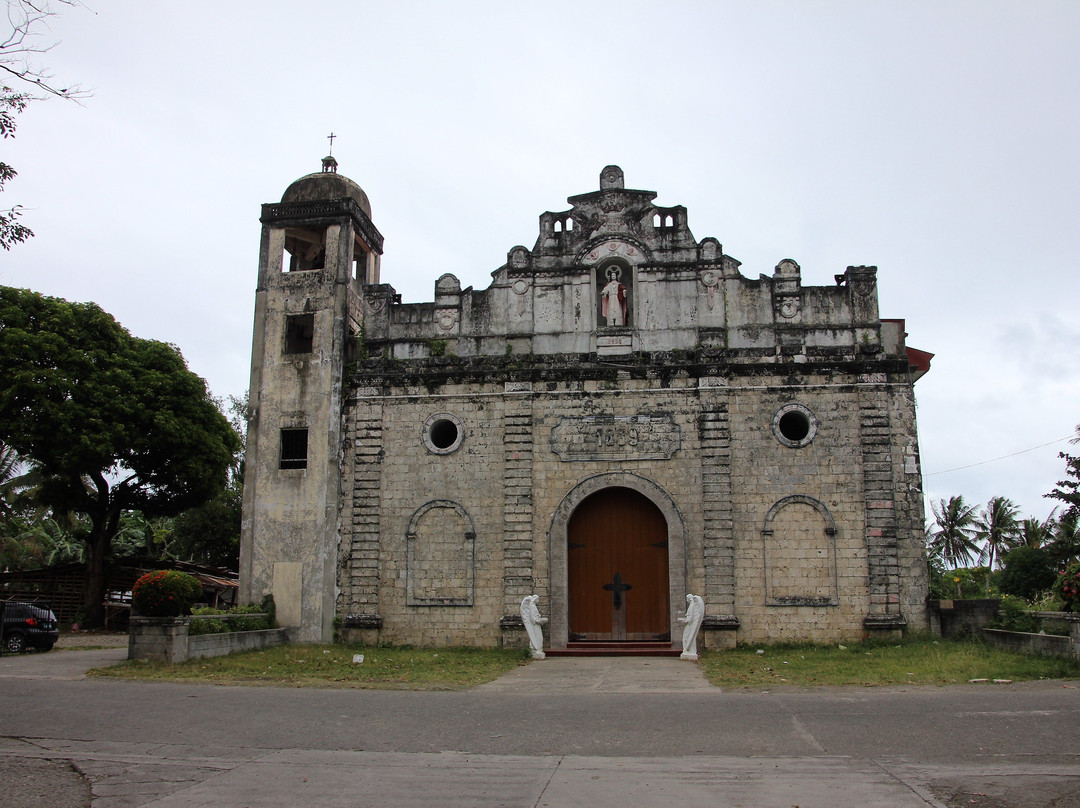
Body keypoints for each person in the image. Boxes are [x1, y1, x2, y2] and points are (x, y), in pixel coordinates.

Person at [520, 595, 547, 660]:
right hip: (535, 625)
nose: (538, 600)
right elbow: (533, 619)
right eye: (537, 599)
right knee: (537, 637)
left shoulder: (533, 606)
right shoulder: (532, 606)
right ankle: (536, 649)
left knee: (539, 638)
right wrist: (541, 620)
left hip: (536, 625)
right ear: (535, 600)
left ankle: (538, 649)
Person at [678, 593, 705, 660]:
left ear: (689, 598)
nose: (686, 600)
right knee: (687, 637)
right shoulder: (692, 605)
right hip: (689, 625)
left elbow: (690, 619)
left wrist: (683, 620)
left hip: (689, 625)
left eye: (687, 598)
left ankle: (688, 650)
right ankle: (689, 650)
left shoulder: (692, 606)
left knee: (686, 637)